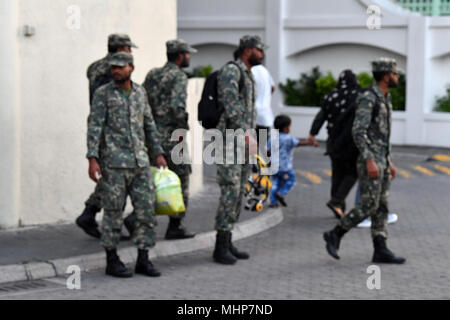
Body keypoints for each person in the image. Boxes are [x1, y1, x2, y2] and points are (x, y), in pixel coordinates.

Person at [87, 52, 167, 277]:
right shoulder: (103, 94)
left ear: (131, 68)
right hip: (114, 164)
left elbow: (149, 125)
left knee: (146, 211)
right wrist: (92, 159)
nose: (116, 70)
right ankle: (112, 260)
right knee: (113, 212)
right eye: (113, 67)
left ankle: (144, 259)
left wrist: (158, 153)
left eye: (120, 67)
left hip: (140, 163)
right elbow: (95, 126)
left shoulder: (141, 93)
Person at [323, 58, 406, 264]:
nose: (397, 77)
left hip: (383, 160)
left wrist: (390, 161)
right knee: (368, 205)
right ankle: (336, 233)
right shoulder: (368, 98)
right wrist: (369, 159)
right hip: (371, 160)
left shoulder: (385, 98)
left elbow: (383, 135)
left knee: (382, 206)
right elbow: (358, 131)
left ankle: (381, 249)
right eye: (395, 74)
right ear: (386, 75)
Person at [77, 34, 138, 239]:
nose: (130, 53)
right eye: (129, 48)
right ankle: (108, 224)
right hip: (112, 128)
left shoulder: (94, 67)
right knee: (115, 178)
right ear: (121, 48)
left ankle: (90, 212)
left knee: (110, 177)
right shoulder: (113, 69)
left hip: (100, 124)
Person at [213, 35, 265, 265]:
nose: (262, 54)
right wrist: (245, 132)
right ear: (248, 50)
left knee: (239, 191)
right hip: (229, 140)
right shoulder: (231, 71)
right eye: (260, 50)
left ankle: (228, 239)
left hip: (243, 141)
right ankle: (219, 246)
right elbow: (230, 103)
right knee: (230, 190)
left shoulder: (247, 74)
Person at [142, 39, 197, 240]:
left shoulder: (152, 74)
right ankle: (175, 225)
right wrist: (183, 130)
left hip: (152, 136)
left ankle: (136, 220)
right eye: (188, 54)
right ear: (180, 55)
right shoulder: (179, 76)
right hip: (174, 137)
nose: (189, 57)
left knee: (151, 181)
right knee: (182, 179)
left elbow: (142, 101)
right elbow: (177, 108)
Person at [307, 70, 360, 219]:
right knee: (353, 172)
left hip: (333, 142)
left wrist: (312, 133)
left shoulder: (330, 96)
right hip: (350, 142)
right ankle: (337, 201)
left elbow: (321, 116)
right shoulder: (358, 96)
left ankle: (338, 208)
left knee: (337, 174)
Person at [268, 115, 315, 208]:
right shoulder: (288, 138)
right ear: (286, 128)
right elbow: (299, 143)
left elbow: (267, 151)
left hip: (274, 166)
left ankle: (273, 202)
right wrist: (310, 143)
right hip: (285, 167)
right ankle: (281, 193)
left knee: (276, 183)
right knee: (291, 180)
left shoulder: (272, 138)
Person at [251, 64, 275, 145]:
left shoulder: (247, 70)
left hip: (251, 114)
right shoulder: (264, 70)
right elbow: (272, 87)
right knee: (261, 146)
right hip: (264, 114)